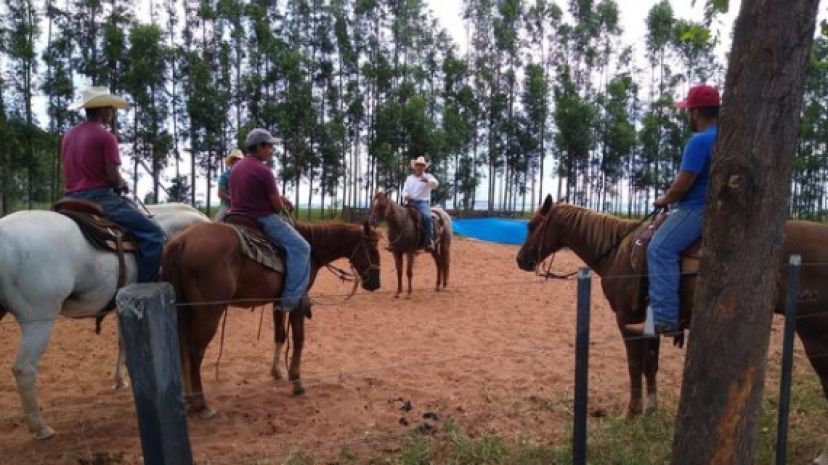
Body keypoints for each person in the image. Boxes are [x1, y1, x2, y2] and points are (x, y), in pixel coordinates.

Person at [628, 84, 720, 337]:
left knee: (659, 248)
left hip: (696, 208)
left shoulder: (700, 140)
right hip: (716, 208)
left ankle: (665, 319)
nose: (688, 116)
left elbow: (684, 182)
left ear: (696, 113)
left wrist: (664, 199)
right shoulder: (725, 136)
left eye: (688, 111)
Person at [62, 86, 166, 283]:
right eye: (110, 108)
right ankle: (145, 288)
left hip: (69, 198)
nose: (112, 112)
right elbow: (112, 174)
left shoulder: (69, 135)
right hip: (99, 198)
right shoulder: (105, 137)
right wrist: (120, 184)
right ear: (102, 109)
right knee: (154, 234)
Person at [230, 128, 310, 311]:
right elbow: (276, 206)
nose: (271, 150)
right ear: (258, 146)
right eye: (268, 146)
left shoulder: (236, 167)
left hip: (235, 217)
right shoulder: (263, 170)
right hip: (260, 218)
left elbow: (250, 194)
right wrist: (282, 205)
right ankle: (290, 301)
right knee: (301, 247)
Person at [402, 156, 440, 252]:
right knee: (399, 216)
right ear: (415, 166)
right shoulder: (409, 178)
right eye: (418, 165)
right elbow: (404, 191)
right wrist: (406, 196)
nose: (419, 167)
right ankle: (397, 241)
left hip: (422, 203)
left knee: (427, 217)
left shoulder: (428, 176)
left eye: (422, 165)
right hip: (410, 202)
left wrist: (427, 180)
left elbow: (435, 184)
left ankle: (429, 240)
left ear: (424, 167)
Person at [214, 149, 243, 221]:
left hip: (243, 205)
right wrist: (232, 199)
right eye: (236, 159)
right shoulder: (225, 176)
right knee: (217, 222)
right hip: (227, 205)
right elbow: (220, 193)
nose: (238, 161)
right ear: (232, 161)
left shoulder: (245, 175)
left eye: (239, 159)